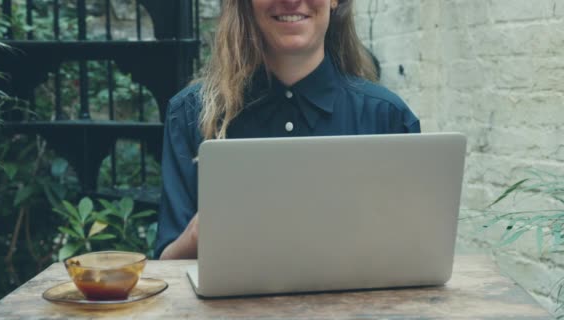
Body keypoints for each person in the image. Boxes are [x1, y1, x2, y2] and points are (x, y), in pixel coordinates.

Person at [156, 0, 420, 260]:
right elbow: (167, 266)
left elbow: (415, 255)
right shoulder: (190, 113)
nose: (291, 1)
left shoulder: (388, 117)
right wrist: (199, 234)